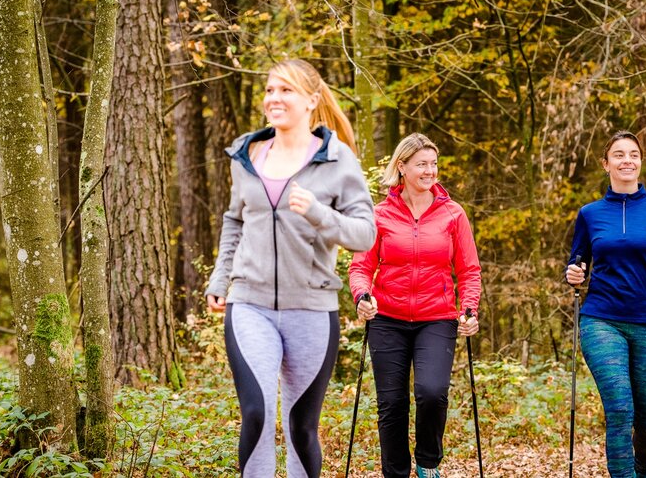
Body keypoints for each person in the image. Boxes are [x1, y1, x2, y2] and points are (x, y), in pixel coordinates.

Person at [204, 58, 376, 478]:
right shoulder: (247, 155)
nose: (273, 99)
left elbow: (365, 234)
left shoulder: (339, 161)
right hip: (250, 303)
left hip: (312, 310)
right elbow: (234, 220)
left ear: (311, 100)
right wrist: (221, 276)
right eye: (269, 90)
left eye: (286, 90)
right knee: (256, 412)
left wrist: (319, 213)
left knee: (302, 429)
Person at [349, 133, 482, 478]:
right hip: (387, 318)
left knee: (432, 392)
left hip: (436, 318)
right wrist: (363, 296)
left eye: (433, 164)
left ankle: (427, 463)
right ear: (402, 167)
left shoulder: (453, 215)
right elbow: (361, 266)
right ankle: (396, 473)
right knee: (391, 403)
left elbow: (469, 270)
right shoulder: (378, 215)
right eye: (422, 164)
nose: (429, 170)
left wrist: (469, 309)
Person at [565, 130, 646, 478]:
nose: (627, 160)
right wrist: (573, 274)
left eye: (633, 154)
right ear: (606, 164)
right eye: (619, 155)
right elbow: (577, 262)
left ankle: (641, 470)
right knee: (620, 408)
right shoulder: (590, 214)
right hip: (601, 320)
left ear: (640, 162)